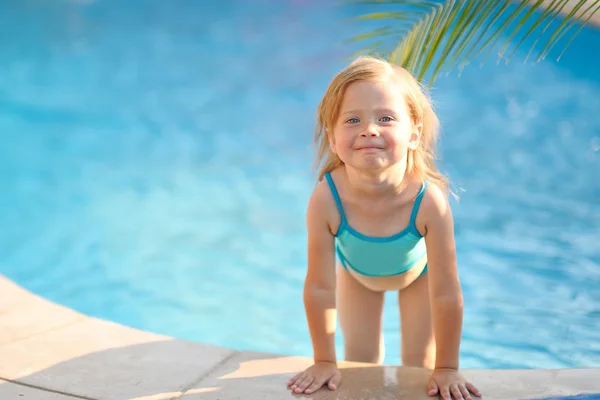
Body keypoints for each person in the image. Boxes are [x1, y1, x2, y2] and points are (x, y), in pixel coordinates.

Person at [286, 56, 482, 400]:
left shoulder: (428, 201)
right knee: (360, 365)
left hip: (417, 278)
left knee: (420, 368)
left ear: (414, 135)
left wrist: (448, 367)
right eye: (353, 119)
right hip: (357, 277)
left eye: (386, 118)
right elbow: (319, 287)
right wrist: (323, 360)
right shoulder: (327, 200)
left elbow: (447, 292)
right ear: (333, 139)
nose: (369, 129)